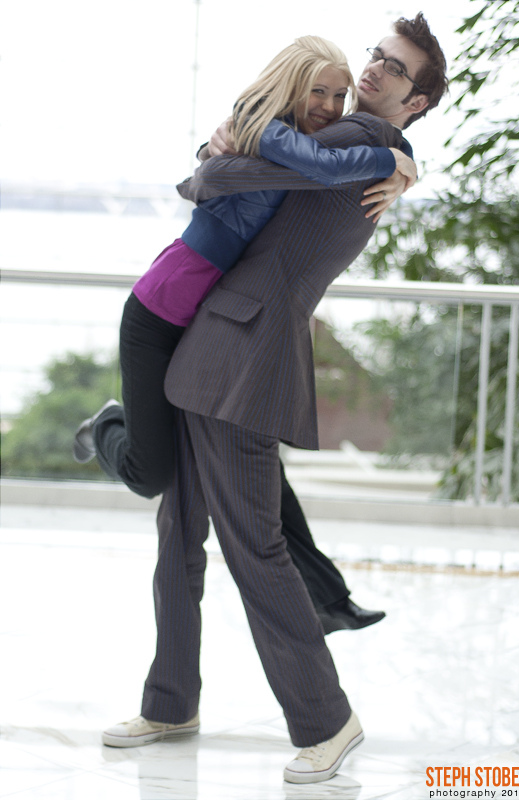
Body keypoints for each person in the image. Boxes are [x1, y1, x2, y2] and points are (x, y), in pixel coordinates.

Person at [102, 14, 448, 785]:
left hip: (246, 355)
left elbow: (220, 179)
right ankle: (169, 701)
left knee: (252, 544)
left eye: (394, 69)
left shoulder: (359, 142)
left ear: (416, 100)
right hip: (216, 344)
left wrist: (209, 160)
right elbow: (232, 168)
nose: (373, 70)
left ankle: (326, 719)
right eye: (376, 56)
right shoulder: (371, 145)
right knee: (179, 531)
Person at [73, 36, 417, 632]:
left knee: (255, 466)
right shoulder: (264, 129)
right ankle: (104, 426)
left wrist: (403, 166)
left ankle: (327, 597)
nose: (332, 105)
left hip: (212, 323)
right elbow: (309, 169)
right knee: (152, 475)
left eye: (339, 95)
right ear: (292, 82)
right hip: (159, 314)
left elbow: (324, 174)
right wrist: (396, 162)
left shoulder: (299, 137)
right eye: (320, 91)